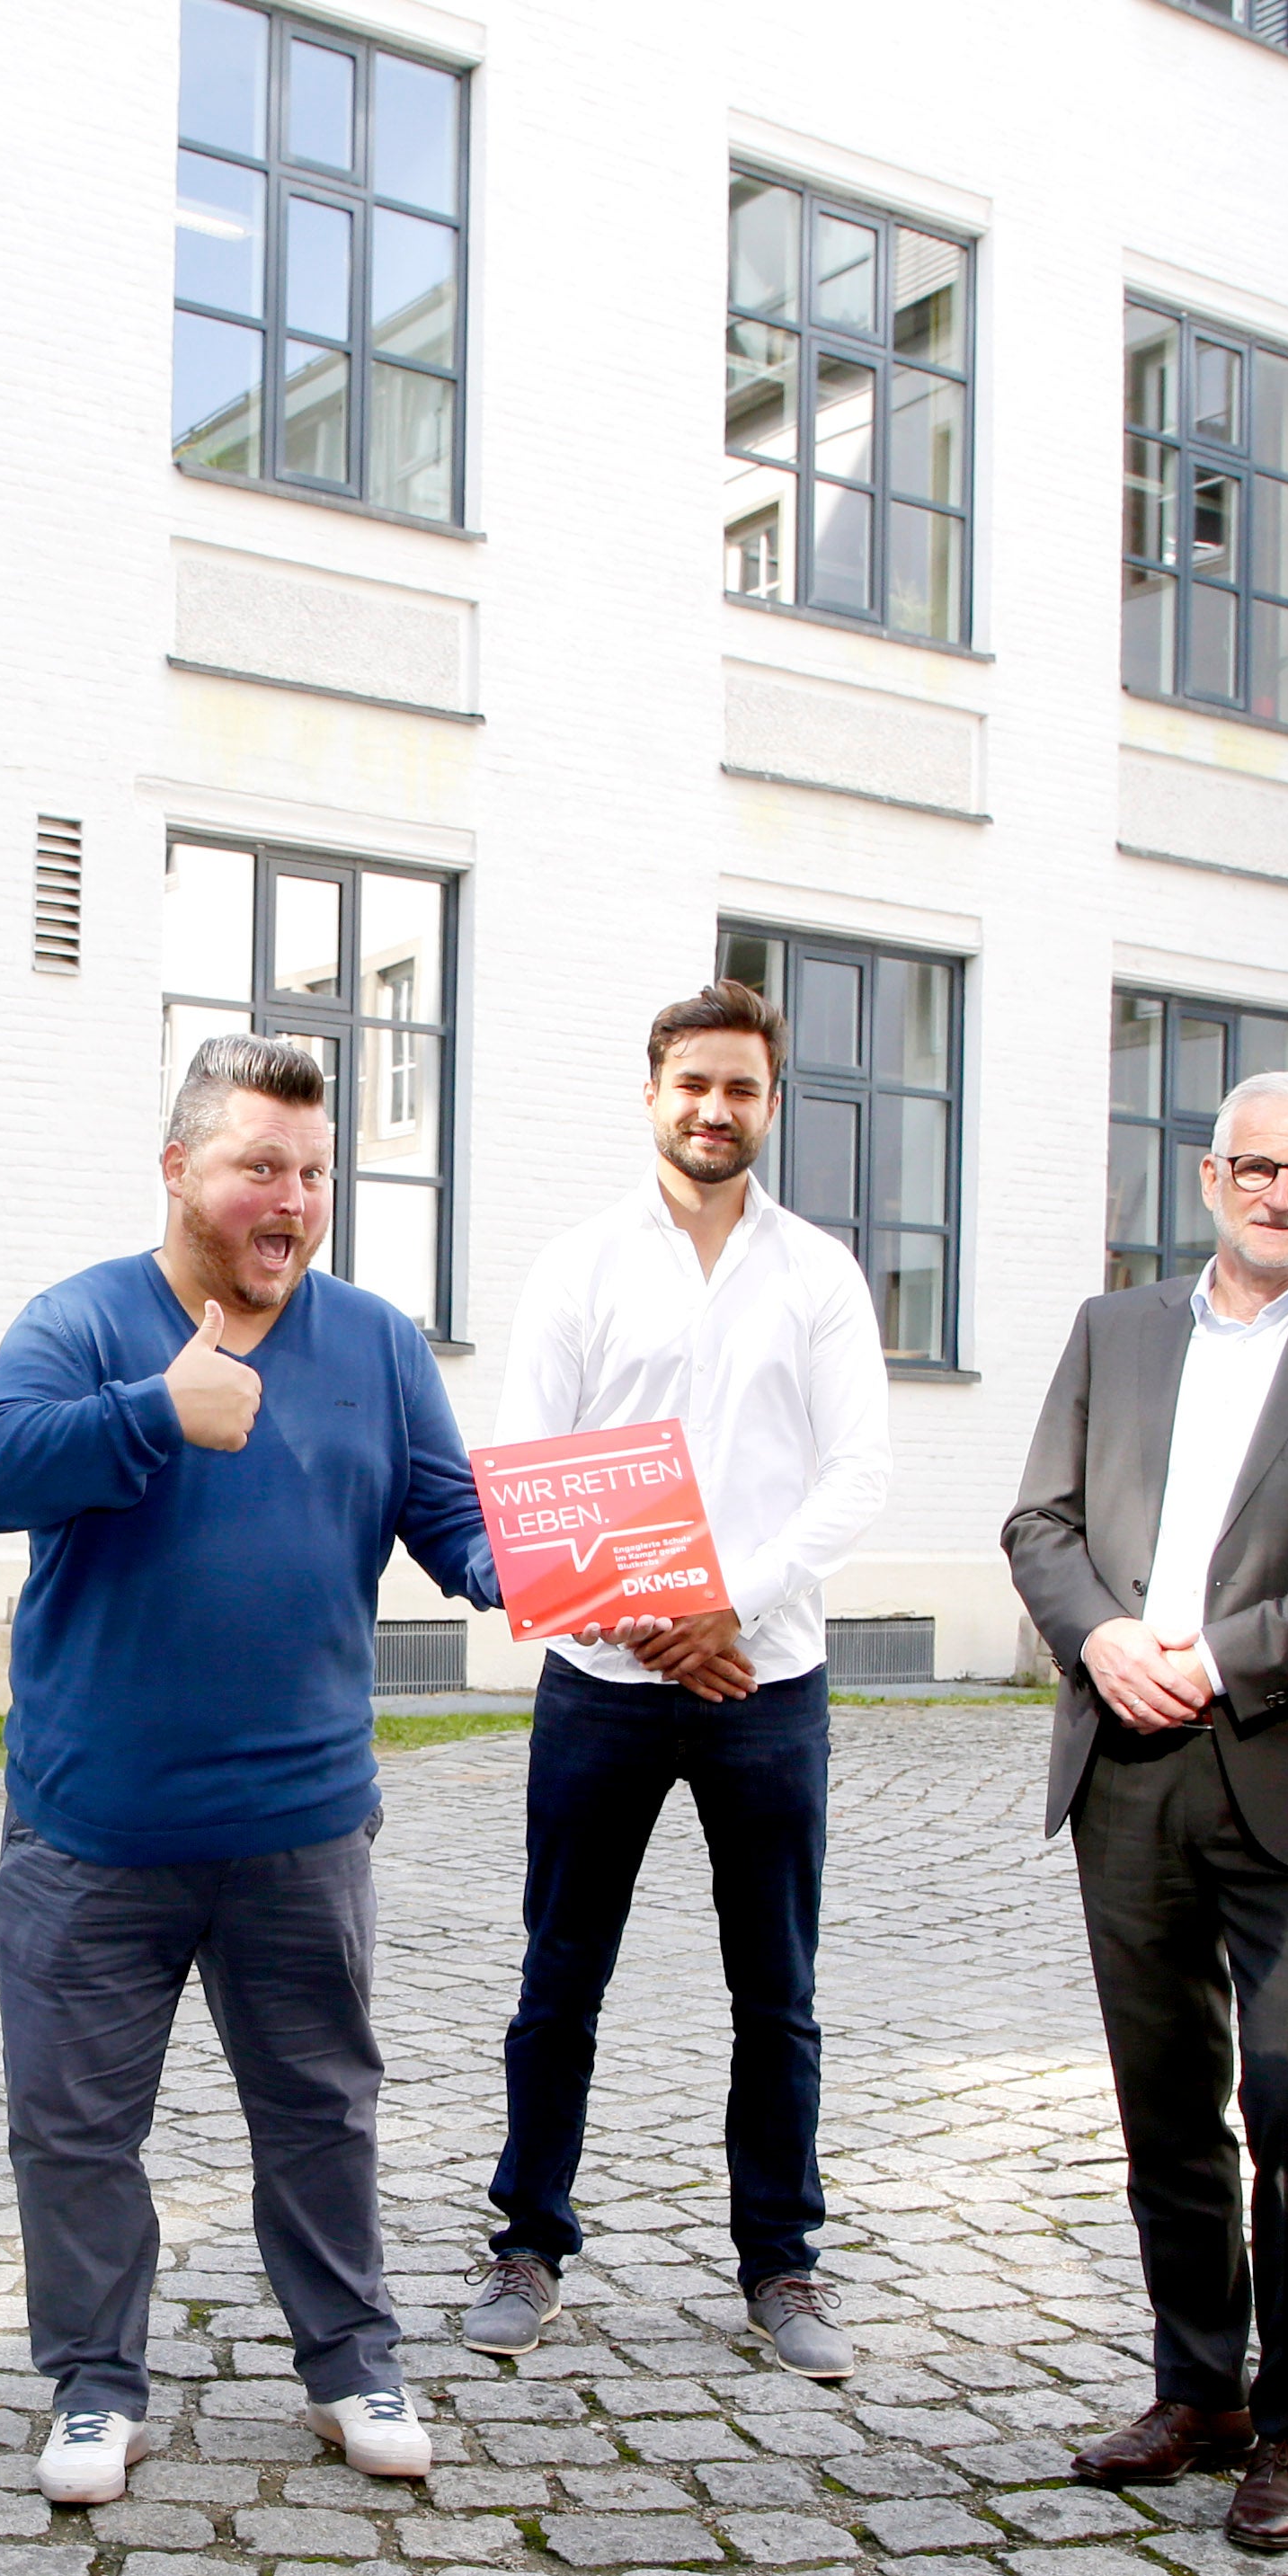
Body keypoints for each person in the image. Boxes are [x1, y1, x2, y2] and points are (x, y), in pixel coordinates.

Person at [0, 1034, 501, 2507]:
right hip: (94, 1831)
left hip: (301, 1827)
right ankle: (92, 2386)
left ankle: (351, 2365)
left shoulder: (377, 1345)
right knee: (74, 2125)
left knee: (322, 2112)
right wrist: (154, 1411)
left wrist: (585, 1568)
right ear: (181, 1169)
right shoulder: (80, 1322)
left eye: (316, 1172)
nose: (296, 1198)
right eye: (263, 1165)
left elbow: (456, 1527)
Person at [1003, 1070, 1288, 2552]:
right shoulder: (1113, 1329)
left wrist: (1221, 1656)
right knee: (1165, 2107)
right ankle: (1197, 2388)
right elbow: (1041, 1523)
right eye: (1254, 1167)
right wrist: (1103, 1639)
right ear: (1209, 1178)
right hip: (1128, 1760)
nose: (1278, 1192)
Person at [464, 977, 893, 2377]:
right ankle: (528, 2241)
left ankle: (783, 2263)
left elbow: (858, 1475)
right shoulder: (580, 1265)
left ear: (773, 1104)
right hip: (602, 1677)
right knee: (561, 1973)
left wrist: (731, 1601)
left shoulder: (818, 1272)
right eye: (694, 1083)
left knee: (777, 1987)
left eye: (744, 1088)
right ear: (653, 1093)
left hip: (771, 1684)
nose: (717, 1109)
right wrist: (656, 1613)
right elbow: (533, 1469)